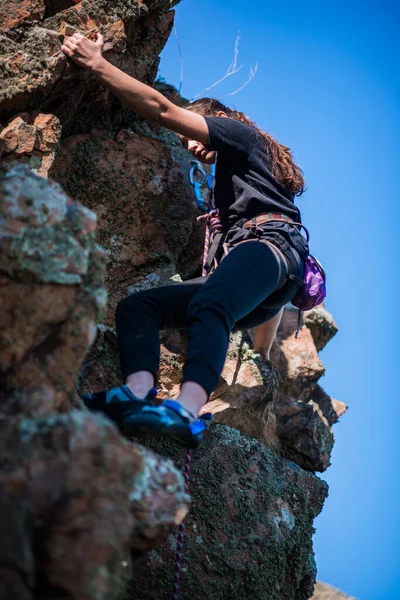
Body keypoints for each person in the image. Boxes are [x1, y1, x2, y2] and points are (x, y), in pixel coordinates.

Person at [62, 33, 309, 449]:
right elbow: (260, 282)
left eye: (192, 136)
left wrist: (97, 64)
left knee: (212, 302)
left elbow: (161, 109)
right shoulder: (243, 187)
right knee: (139, 307)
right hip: (268, 271)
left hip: (270, 250)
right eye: (184, 146)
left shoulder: (238, 135)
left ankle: (185, 409)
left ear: (218, 120)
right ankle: (137, 392)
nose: (192, 147)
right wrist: (263, 352)